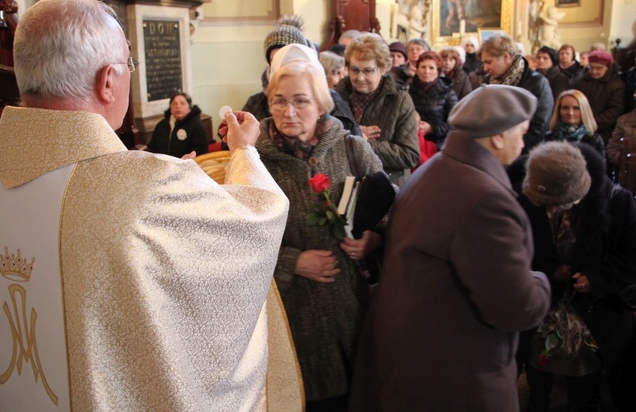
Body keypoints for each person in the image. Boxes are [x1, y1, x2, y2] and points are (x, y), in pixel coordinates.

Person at [0, 0, 303, 411]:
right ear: (108, 80)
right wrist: (243, 154)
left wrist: (162, 185)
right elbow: (258, 217)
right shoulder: (146, 186)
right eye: (128, 64)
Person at [349, 85, 551, 411]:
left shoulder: (435, 169)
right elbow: (514, 306)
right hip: (457, 373)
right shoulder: (486, 199)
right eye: (522, 133)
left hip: (411, 359)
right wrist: (541, 281)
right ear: (498, 136)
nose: (523, 142)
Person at [258, 43, 386, 411]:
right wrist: (291, 263)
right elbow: (234, 243)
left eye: (300, 101)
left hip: (352, 311)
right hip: (291, 316)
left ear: (321, 105)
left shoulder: (351, 149)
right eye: (279, 101)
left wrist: (373, 238)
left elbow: (389, 206)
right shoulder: (255, 161)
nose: (289, 111)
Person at [508, 142, 636, 412]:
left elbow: (629, 259)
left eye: (560, 205)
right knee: (536, 380)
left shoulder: (617, 202)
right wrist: (551, 269)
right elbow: (512, 250)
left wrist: (596, 278)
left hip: (594, 313)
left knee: (585, 392)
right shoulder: (524, 193)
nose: (553, 211)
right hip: (540, 305)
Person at [240, 16, 361, 137]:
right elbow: (236, 144)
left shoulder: (333, 103)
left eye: (301, 101)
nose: (289, 113)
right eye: (276, 60)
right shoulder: (257, 102)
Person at [335, 33, 420, 187]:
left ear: (383, 68)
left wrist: (362, 142)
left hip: (385, 185)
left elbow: (410, 155)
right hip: (344, 184)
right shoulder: (337, 95)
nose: (359, 77)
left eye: (368, 71)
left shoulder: (399, 100)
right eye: (354, 70)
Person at [479, 34, 554, 153]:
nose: (485, 68)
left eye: (489, 62)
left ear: (506, 57)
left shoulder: (537, 83)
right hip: (493, 152)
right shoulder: (488, 82)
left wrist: (512, 151)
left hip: (524, 154)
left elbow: (538, 127)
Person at [572, 50, 626, 145]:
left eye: (599, 68)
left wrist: (590, 123)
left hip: (602, 132)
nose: (594, 71)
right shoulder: (581, 81)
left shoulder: (616, 85)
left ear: (608, 67)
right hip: (578, 128)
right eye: (591, 67)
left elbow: (614, 111)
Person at [408, 51, 458, 150]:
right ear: (417, 70)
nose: (426, 71)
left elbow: (456, 123)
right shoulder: (408, 90)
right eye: (423, 67)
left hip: (439, 145)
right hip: (412, 143)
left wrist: (432, 128)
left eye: (431, 68)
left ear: (438, 71)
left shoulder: (448, 92)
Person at [146, 91, 209, 158]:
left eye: (182, 103)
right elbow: (152, 148)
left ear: (189, 107)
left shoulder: (197, 126)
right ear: (170, 108)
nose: (178, 106)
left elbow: (201, 150)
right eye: (174, 103)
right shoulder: (161, 125)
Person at [544, 89, 605, 156]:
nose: (570, 113)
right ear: (559, 110)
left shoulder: (594, 140)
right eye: (565, 108)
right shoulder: (549, 137)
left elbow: (599, 166)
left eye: (576, 108)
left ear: (584, 110)